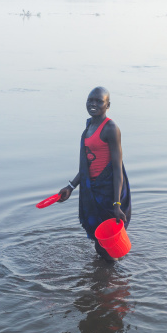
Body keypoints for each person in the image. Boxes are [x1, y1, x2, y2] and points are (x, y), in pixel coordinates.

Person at [58, 87, 131, 262]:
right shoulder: (89, 126)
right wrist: (71, 187)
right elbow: (87, 164)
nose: (93, 104)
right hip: (92, 190)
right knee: (99, 241)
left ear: (108, 105)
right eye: (90, 100)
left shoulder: (111, 129)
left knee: (108, 242)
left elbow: (117, 168)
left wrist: (116, 203)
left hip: (107, 191)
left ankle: (110, 280)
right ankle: (104, 280)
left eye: (99, 101)